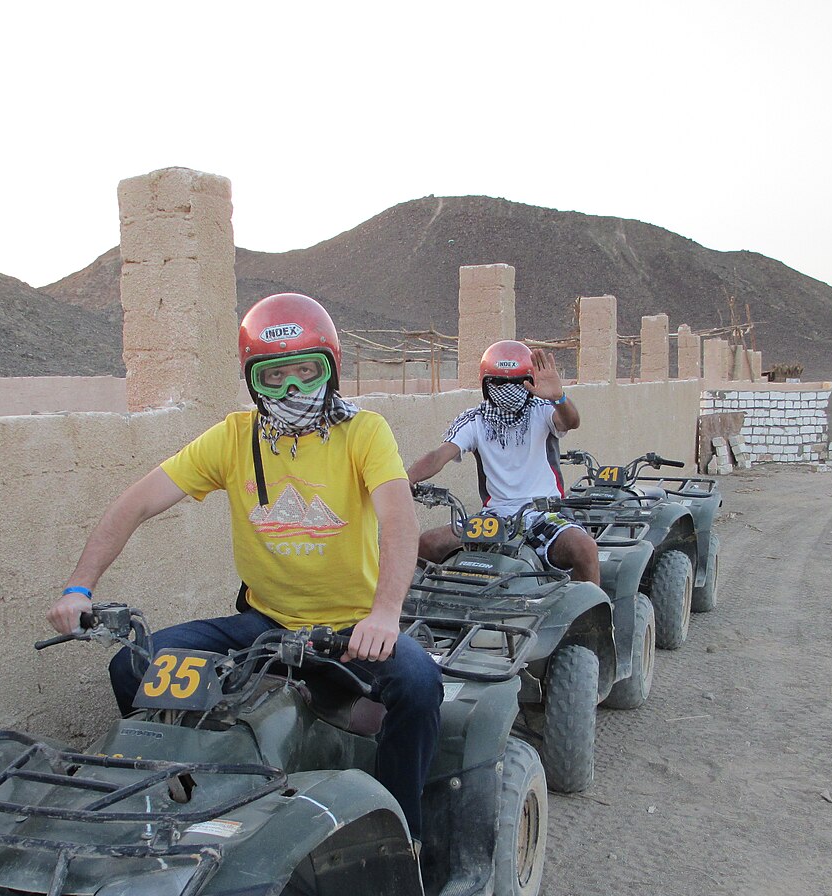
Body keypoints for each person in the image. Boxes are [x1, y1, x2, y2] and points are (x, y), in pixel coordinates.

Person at [47, 293, 442, 842]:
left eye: (306, 371)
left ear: (331, 369)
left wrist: (384, 613)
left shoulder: (364, 431)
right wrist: (79, 587)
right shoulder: (234, 437)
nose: (292, 389)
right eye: (274, 376)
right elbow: (136, 503)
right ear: (253, 380)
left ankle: (402, 833)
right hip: (265, 625)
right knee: (132, 667)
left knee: (419, 685)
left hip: (350, 629)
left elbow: (398, 519)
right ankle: (179, 801)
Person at [406, 340, 600, 584]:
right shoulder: (475, 420)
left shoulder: (542, 410)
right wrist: (407, 479)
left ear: (530, 381)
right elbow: (439, 455)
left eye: (518, 382)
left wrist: (559, 398)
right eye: (498, 382)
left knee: (584, 548)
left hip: (544, 512)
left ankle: (593, 607)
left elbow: (570, 422)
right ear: (486, 384)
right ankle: (419, 604)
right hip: (494, 517)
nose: (508, 389)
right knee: (426, 544)